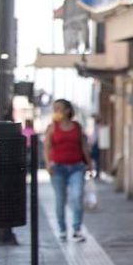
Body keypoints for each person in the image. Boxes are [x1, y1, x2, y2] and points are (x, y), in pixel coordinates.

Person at [44, 99, 94, 242]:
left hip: (77, 167)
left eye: (59, 108)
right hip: (58, 168)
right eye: (55, 108)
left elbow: (84, 146)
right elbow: (47, 147)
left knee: (77, 197)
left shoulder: (77, 127)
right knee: (60, 200)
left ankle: (77, 229)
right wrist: (48, 164)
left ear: (67, 110)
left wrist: (89, 164)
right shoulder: (52, 128)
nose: (56, 111)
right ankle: (62, 230)